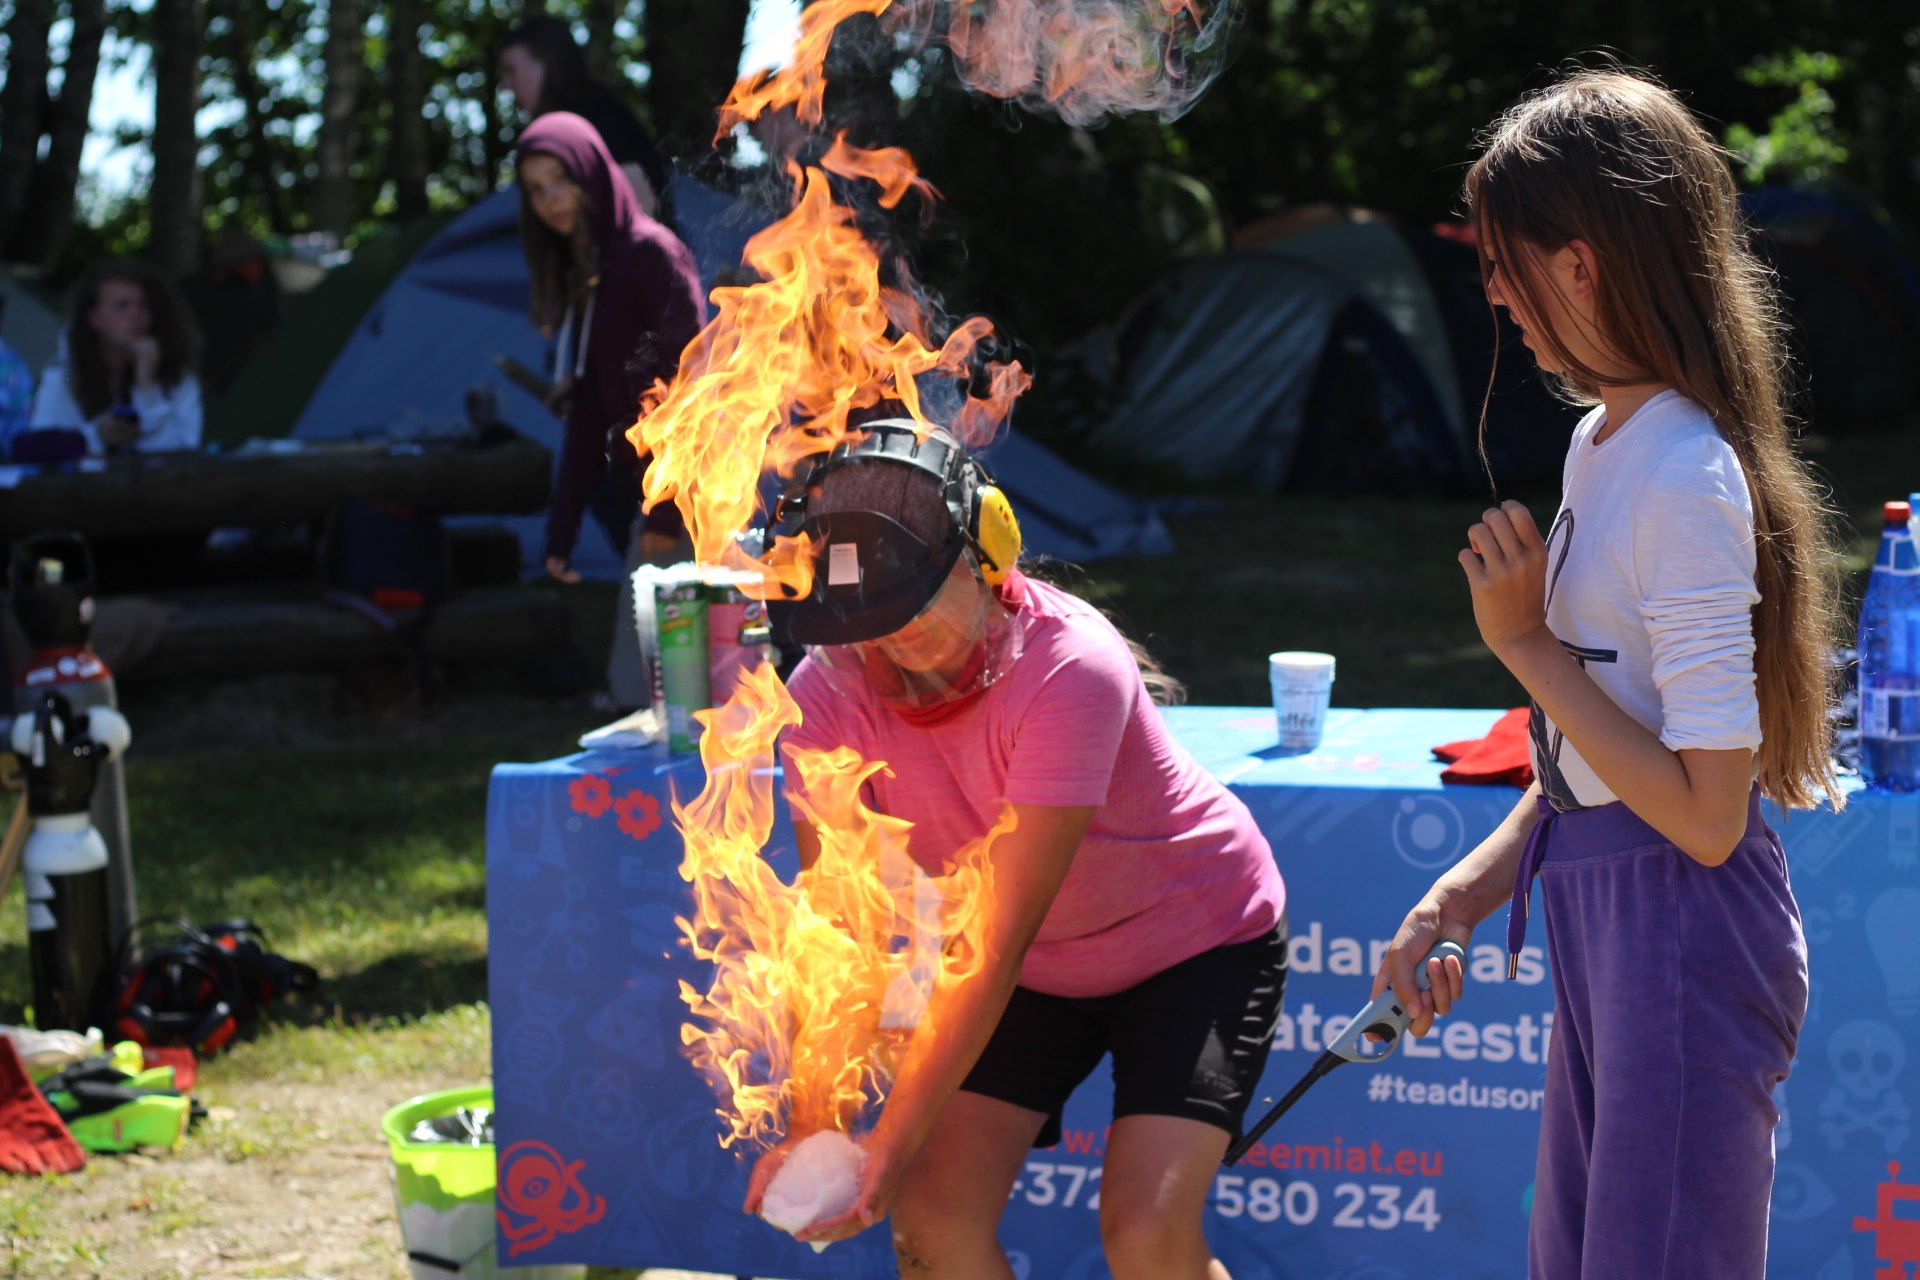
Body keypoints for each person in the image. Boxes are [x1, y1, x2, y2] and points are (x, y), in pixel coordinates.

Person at [1371, 71, 1838, 1280]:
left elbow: (1705, 809)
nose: (1491, 293)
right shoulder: (1605, 441)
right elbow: (1603, 746)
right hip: (1612, 913)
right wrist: (1460, 896)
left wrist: (1523, 644)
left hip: (1679, 928)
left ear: (1579, 265)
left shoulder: (1684, 470)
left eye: (1502, 261)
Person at [746, 421, 1288, 1280]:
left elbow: (995, 942)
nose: (888, 651)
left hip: (1194, 945)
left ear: (985, 558)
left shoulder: (1070, 668)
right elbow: (837, 934)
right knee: (929, 1226)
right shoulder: (824, 690)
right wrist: (820, 1123)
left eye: (913, 618)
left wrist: (889, 1142)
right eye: (863, 626)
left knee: (1147, 1238)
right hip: (1033, 971)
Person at [515, 112, 704, 706]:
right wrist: (561, 531)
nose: (550, 200)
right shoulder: (595, 274)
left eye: (559, 181)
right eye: (536, 189)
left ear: (591, 174)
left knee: (668, 696)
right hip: (653, 504)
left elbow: (700, 386)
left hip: (697, 506)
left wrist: (670, 515)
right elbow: (591, 416)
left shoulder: (649, 253)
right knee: (660, 697)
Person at [499, 16, 674, 225]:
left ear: (547, 61)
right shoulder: (589, 112)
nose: (506, 86)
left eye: (511, 70)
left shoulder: (591, 115)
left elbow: (638, 195)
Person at [30, 259, 203, 455]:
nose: (135, 314)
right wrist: (96, 436)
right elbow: (41, 448)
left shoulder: (177, 379)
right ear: (94, 317)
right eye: (122, 306)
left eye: (143, 305)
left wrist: (147, 387)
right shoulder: (64, 378)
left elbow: (179, 458)